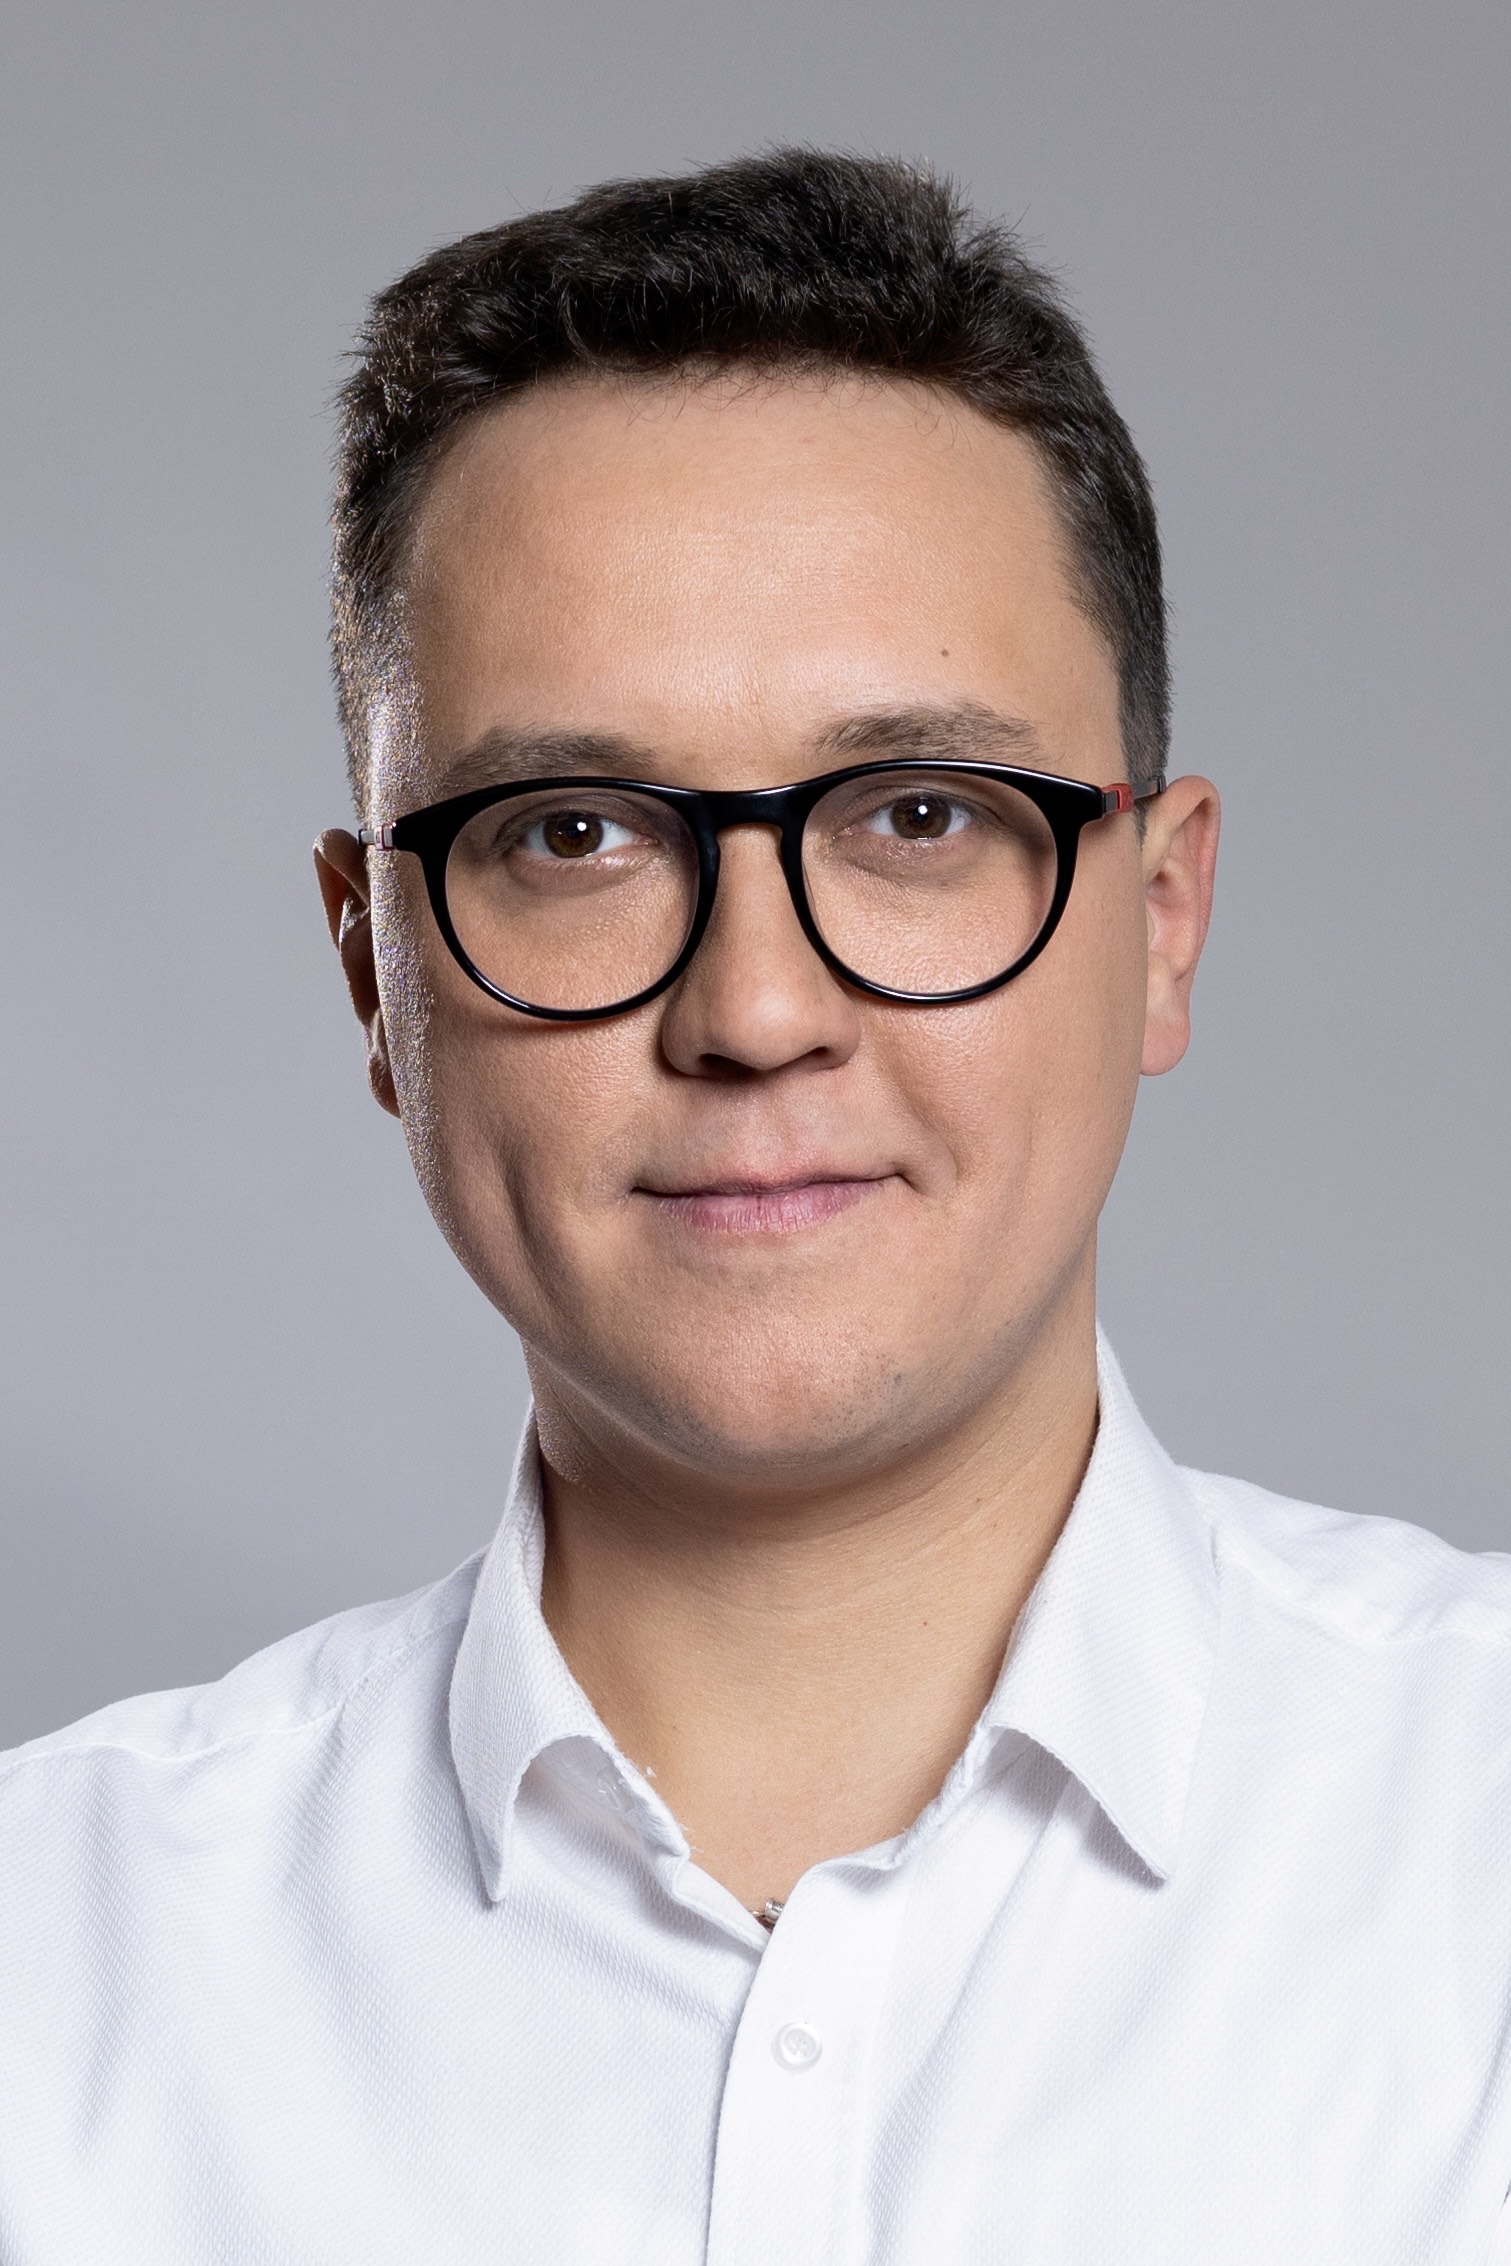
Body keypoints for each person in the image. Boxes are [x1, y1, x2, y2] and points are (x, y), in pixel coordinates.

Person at [0, 148, 1507, 2266]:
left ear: (1163, 919)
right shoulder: (51, 1970)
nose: (756, 1009)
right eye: (575, 832)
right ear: (370, 965)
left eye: (919, 813)